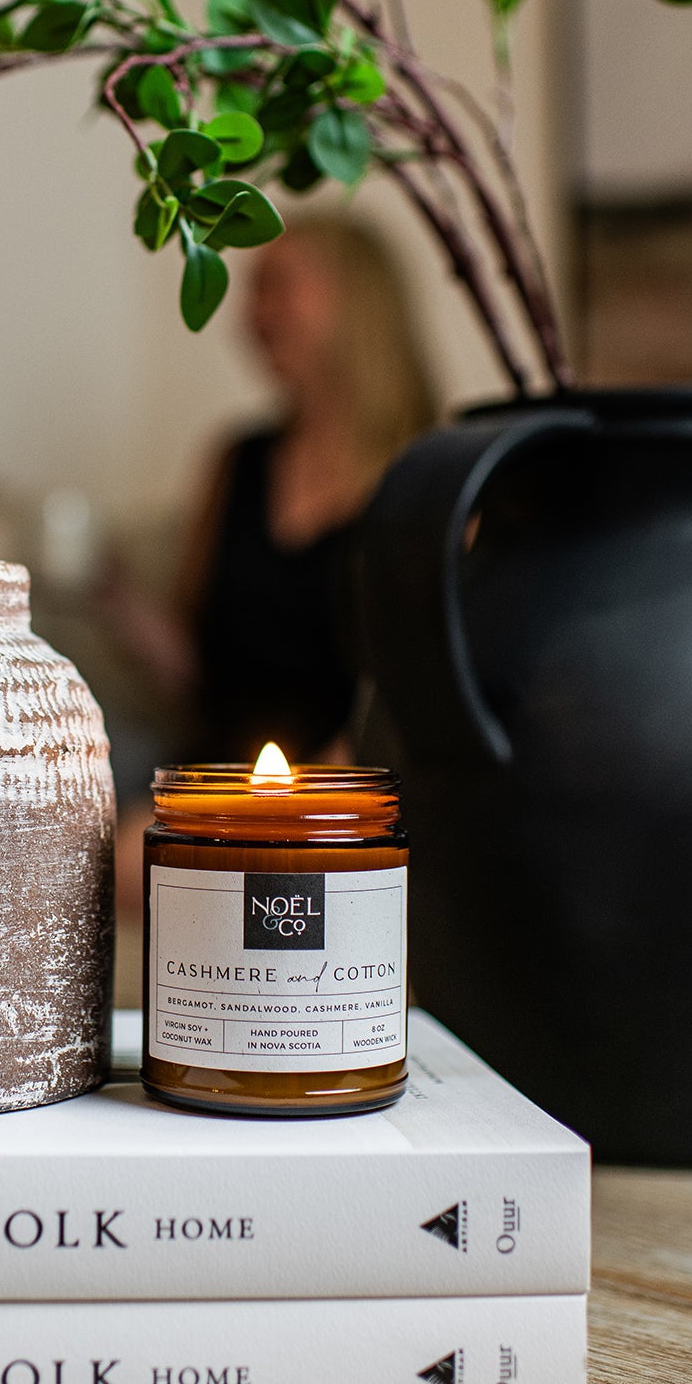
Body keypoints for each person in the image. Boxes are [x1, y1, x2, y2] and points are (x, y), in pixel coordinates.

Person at [104, 212, 436, 908]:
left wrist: (288, 820)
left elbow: (415, 698)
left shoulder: (426, 482)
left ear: (356, 303)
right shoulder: (236, 462)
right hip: (210, 776)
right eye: (253, 293)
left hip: (352, 801)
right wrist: (119, 608)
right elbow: (198, 661)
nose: (251, 316)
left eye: (277, 288)